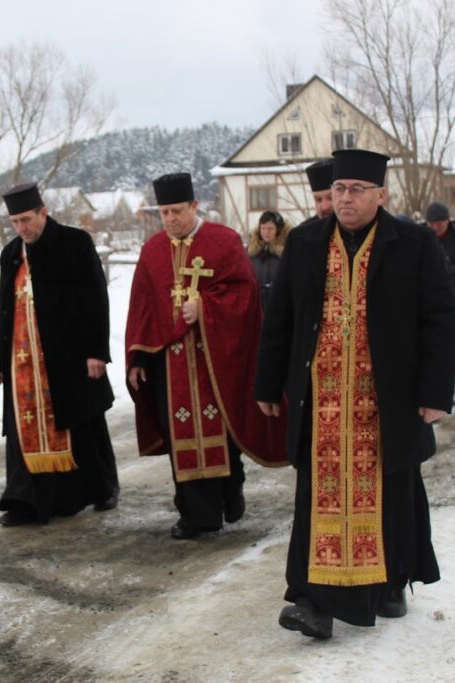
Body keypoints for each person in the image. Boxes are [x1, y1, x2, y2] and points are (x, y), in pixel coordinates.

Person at [255, 148, 455, 640]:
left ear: (380, 195)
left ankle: (388, 584)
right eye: (339, 190)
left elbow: (438, 321)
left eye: (356, 190)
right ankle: (312, 600)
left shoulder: (411, 243)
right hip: (321, 401)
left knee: (388, 492)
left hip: (386, 401)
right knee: (316, 499)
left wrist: (435, 392)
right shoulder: (304, 242)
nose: (344, 198)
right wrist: (267, 384)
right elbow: (280, 319)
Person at [125, 172, 287, 540]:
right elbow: (142, 307)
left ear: (195, 206)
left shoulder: (223, 241)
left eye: (176, 211)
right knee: (179, 434)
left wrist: (206, 307)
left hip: (215, 360)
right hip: (170, 363)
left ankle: (231, 491)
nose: (169, 220)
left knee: (222, 429)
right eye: (164, 212)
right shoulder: (152, 251)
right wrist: (136, 357)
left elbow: (245, 296)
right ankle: (195, 514)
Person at [0, 182, 120, 526]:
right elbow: (5, 309)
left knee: (84, 422)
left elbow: (96, 299)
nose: (22, 227)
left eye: (27, 219)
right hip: (23, 363)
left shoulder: (75, 243)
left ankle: (100, 488)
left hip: (70, 358)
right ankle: (27, 501)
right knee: (25, 429)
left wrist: (96, 352)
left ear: (43, 213)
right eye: (15, 221)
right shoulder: (11, 254)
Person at [422, 201, 455, 324]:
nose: (435, 228)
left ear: (447, 221)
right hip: (426, 298)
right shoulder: (421, 235)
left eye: (439, 224)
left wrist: (445, 271)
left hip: (453, 297)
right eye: (431, 224)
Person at [247, 210, 290, 311]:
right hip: (256, 306)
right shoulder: (252, 253)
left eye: (270, 229)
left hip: (279, 306)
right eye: (263, 228)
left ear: (278, 230)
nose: (266, 232)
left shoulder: (287, 252)